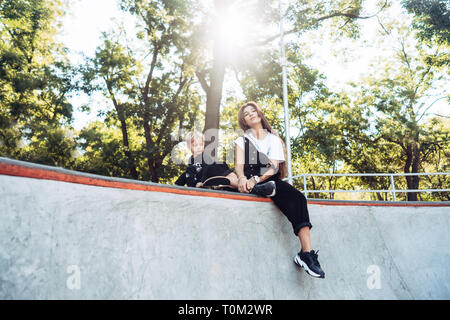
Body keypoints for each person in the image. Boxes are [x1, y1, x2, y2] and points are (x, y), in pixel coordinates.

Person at [234, 101, 325, 278]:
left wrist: (256, 179)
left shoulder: (273, 139)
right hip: (248, 179)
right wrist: (243, 178)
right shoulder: (241, 140)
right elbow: (238, 165)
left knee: (298, 198)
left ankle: (306, 254)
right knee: (237, 179)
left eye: (253, 110)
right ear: (244, 121)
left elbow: (274, 167)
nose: (251, 113)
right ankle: (258, 189)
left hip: (267, 179)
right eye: (247, 113)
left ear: (259, 114)